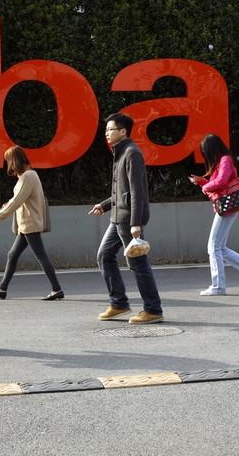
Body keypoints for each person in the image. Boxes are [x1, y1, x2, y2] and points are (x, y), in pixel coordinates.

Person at [88, 112, 164, 324]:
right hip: (117, 217)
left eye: (110, 129)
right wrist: (104, 205)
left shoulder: (131, 153)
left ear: (123, 131)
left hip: (127, 219)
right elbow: (121, 191)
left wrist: (135, 223)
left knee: (138, 263)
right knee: (104, 256)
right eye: (106, 130)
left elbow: (137, 192)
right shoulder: (120, 152)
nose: (107, 133)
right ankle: (118, 303)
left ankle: (153, 309)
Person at [0, 145, 64, 301]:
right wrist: (9, 204)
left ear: (14, 161)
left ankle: (56, 289)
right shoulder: (29, 175)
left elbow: (17, 201)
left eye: (9, 161)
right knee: (12, 255)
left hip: (30, 223)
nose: (9, 165)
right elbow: (20, 199)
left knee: (41, 257)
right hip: (27, 224)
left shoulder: (28, 176)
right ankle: (2, 288)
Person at [189, 134, 239, 296]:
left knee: (213, 247)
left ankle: (218, 287)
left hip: (227, 207)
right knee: (219, 247)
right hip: (226, 207)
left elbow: (221, 182)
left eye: (205, 152)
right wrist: (202, 182)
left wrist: (204, 187)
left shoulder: (225, 160)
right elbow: (218, 183)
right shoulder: (222, 161)